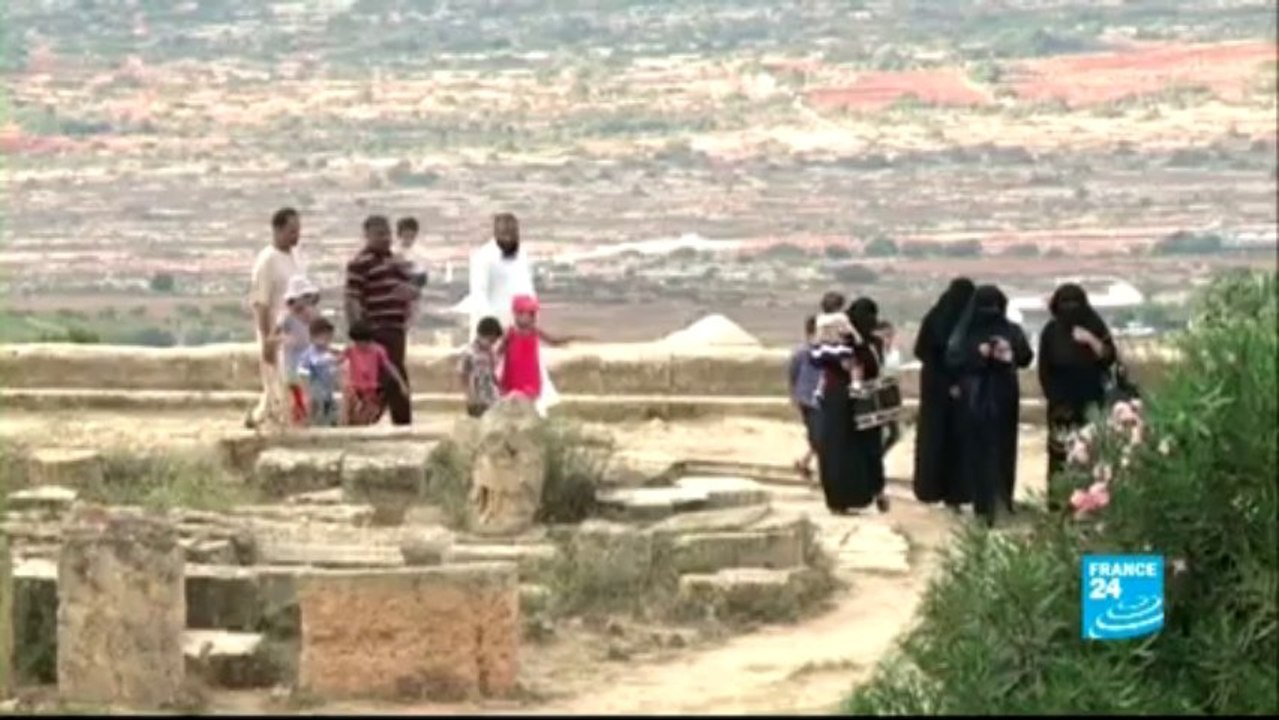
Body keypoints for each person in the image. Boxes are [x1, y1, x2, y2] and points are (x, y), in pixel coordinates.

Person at [945, 284, 1034, 527]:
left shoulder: (1010, 331)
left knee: (1001, 449)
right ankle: (984, 504)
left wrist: (1008, 354)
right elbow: (953, 360)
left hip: (1001, 395)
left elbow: (1026, 357)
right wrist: (979, 354)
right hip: (976, 396)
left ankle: (999, 501)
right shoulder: (965, 333)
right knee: (979, 451)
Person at [460, 213, 560, 416]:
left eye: (513, 233)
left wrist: (530, 315)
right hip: (494, 330)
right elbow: (479, 294)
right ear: (495, 232)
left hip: (521, 326)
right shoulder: (483, 258)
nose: (509, 237)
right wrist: (493, 328)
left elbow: (526, 285)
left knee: (527, 374)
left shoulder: (522, 254)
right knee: (491, 376)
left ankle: (531, 413)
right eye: (504, 233)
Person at [1037, 282, 1117, 508]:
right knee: (1060, 453)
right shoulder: (1051, 331)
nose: (1070, 308)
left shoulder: (1095, 325)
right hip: (1061, 402)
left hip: (1092, 400)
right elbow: (1044, 370)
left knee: (1092, 451)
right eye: (1065, 303)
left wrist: (1091, 341)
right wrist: (1055, 398)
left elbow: (1110, 357)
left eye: (1075, 303)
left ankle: (1090, 504)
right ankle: (1057, 504)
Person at [808, 300, 889, 516]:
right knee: (854, 448)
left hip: (840, 399)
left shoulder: (856, 342)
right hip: (854, 400)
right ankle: (858, 494)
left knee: (840, 448)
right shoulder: (858, 343)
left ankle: (843, 497)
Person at [345, 215, 418, 425]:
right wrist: (358, 333)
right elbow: (352, 297)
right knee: (388, 378)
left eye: (387, 234)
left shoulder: (394, 261)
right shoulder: (359, 263)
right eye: (379, 234)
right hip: (376, 329)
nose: (385, 238)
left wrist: (408, 292)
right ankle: (387, 421)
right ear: (367, 235)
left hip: (396, 328)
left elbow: (412, 288)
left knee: (392, 376)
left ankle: (383, 420)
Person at [911, 277, 976, 509]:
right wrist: (955, 382)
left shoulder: (934, 317)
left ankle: (930, 488)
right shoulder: (966, 322)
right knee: (957, 440)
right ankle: (956, 493)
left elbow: (921, 350)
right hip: (958, 388)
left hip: (932, 386)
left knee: (933, 438)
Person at [246, 207, 305, 429]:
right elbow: (261, 303)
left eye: (298, 231)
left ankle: (260, 419)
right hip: (277, 332)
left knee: (291, 384)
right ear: (277, 230)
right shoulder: (267, 261)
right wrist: (268, 338)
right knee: (278, 384)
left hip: (298, 331)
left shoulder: (296, 256)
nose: (296, 236)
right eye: (291, 231)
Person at [499, 294, 573, 404]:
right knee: (512, 400)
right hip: (512, 375)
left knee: (528, 400)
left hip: (530, 377)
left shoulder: (535, 331)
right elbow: (498, 351)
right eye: (526, 314)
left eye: (531, 314)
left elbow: (553, 341)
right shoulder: (510, 333)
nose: (530, 317)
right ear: (516, 314)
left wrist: (570, 339)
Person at [271, 275, 319, 427]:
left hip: (308, 356)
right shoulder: (286, 317)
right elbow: (273, 335)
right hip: (292, 357)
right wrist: (285, 339)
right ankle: (297, 419)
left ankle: (308, 418)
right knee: (295, 390)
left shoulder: (312, 314)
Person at [343, 319, 410, 426]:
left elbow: (390, 367)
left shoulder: (378, 351)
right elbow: (338, 361)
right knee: (351, 416)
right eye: (357, 343)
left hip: (371, 389)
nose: (360, 346)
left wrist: (401, 383)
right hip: (355, 388)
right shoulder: (351, 350)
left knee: (367, 417)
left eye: (362, 343)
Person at [787, 315, 822, 481]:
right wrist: (794, 395)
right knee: (819, 436)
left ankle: (804, 462)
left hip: (819, 399)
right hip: (807, 400)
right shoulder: (802, 353)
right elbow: (793, 374)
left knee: (820, 436)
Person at [297, 317, 342, 427]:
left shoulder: (331, 353)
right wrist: (307, 395)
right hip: (314, 395)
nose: (326, 341)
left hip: (328, 393)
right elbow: (303, 375)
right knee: (316, 419)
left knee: (331, 417)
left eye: (328, 338)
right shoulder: (308, 355)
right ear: (312, 337)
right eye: (323, 337)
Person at [458, 316, 504, 419]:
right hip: (477, 398)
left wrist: (500, 390)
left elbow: (492, 374)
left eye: (494, 342)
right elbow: (463, 374)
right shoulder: (468, 352)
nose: (492, 344)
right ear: (482, 335)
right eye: (491, 340)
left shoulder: (490, 352)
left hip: (492, 398)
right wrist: (469, 395)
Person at [874, 319, 903, 456]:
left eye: (890, 336)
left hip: (891, 393)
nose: (888, 339)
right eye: (885, 336)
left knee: (894, 433)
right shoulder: (874, 354)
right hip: (877, 393)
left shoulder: (894, 353)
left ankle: (878, 457)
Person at [395, 217, 428, 326]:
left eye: (411, 235)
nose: (408, 238)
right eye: (405, 235)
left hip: (412, 291)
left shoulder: (420, 253)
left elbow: (422, 276)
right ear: (399, 234)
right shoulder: (393, 251)